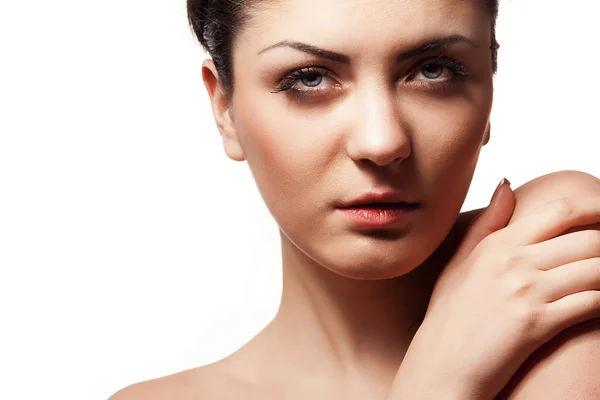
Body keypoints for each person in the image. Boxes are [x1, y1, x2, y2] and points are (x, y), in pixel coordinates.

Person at [110, 0, 600, 398]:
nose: (382, 142)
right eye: (309, 78)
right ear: (225, 110)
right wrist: (439, 382)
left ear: (489, 90)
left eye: (434, 71)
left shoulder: (550, 250)